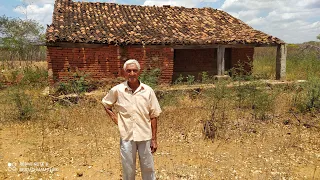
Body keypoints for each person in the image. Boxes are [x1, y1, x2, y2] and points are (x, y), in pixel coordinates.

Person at [102, 59, 162, 180]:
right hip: (127, 136)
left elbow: (154, 115)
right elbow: (106, 104)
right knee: (128, 168)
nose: (132, 73)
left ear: (138, 72)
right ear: (124, 73)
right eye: (129, 71)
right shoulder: (117, 90)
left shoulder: (148, 91)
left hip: (145, 135)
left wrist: (154, 139)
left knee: (148, 167)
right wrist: (116, 119)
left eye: (134, 70)